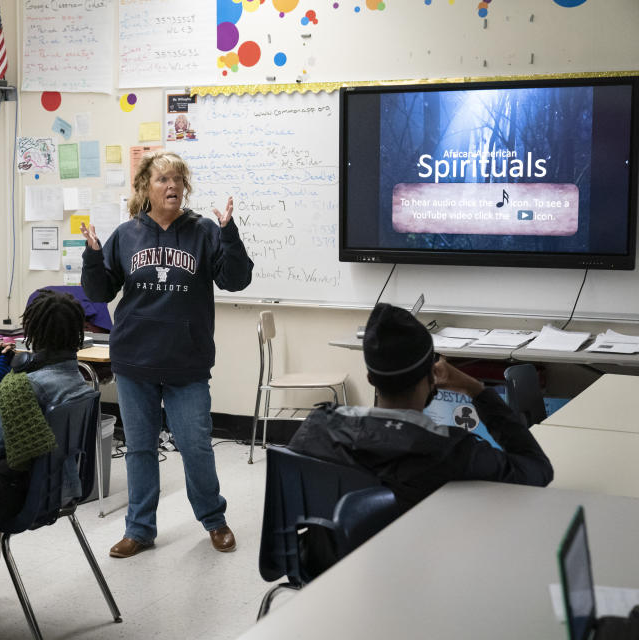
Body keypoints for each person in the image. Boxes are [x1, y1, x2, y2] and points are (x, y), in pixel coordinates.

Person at [80, 149, 253, 558]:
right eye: (162, 179)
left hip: (186, 362)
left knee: (194, 445)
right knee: (139, 449)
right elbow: (100, 291)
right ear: (145, 188)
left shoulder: (205, 231)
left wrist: (229, 233)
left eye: (177, 179)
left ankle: (214, 520)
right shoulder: (125, 235)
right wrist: (91, 255)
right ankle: (139, 529)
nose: (172, 186)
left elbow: (236, 280)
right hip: (134, 361)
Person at [287, 302, 554, 511]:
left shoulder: (318, 427)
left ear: (370, 378)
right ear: (431, 377)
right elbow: (537, 469)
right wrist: (476, 389)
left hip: (332, 568)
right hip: (420, 567)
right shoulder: (452, 450)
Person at [0, 289, 97, 517]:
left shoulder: (25, 388)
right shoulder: (78, 378)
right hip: (66, 489)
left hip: (25, 498)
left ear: (31, 330)